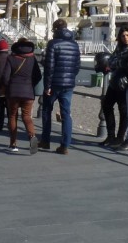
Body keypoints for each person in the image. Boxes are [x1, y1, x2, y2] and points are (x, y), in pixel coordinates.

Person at [39, 18, 81, 155]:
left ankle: (45, 140)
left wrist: (47, 86)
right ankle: (65, 145)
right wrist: (70, 77)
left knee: (46, 110)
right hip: (68, 84)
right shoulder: (74, 44)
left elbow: (49, 66)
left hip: (54, 83)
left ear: (55, 29)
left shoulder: (53, 43)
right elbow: (77, 66)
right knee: (66, 113)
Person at [1, 37, 42, 154]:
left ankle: (13, 144)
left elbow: (5, 77)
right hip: (28, 92)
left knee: (12, 116)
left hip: (13, 92)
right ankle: (32, 136)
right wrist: (30, 84)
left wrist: (8, 86)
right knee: (27, 116)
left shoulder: (11, 58)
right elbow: (38, 76)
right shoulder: (32, 59)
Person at [100, 27, 128, 148]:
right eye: (123, 36)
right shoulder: (119, 48)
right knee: (106, 106)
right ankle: (111, 135)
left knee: (123, 111)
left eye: (127, 35)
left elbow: (125, 64)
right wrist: (114, 64)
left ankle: (120, 137)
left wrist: (115, 64)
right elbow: (111, 62)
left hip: (125, 83)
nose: (125, 38)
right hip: (114, 82)